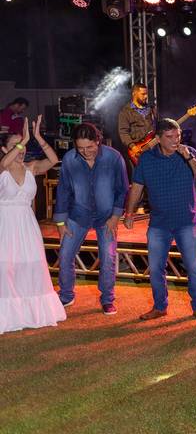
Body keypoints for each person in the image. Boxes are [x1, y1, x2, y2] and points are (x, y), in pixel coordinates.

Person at [123, 118, 196, 321]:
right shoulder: (147, 158)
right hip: (159, 224)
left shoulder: (189, 153)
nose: (175, 140)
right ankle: (160, 306)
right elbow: (137, 187)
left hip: (186, 222)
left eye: (177, 136)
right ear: (159, 138)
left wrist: (189, 158)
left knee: (194, 267)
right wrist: (129, 212)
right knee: (155, 268)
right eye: (170, 137)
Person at [53, 123, 128, 314]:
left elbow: (122, 189)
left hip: (106, 217)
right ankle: (66, 295)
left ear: (98, 141)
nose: (86, 152)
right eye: (81, 148)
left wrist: (115, 216)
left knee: (108, 257)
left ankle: (107, 299)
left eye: (90, 147)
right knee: (65, 254)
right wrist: (60, 222)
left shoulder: (113, 157)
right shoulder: (69, 159)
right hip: (77, 215)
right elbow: (63, 191)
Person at [0, 116, 66, 334]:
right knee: (5, 268)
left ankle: (31, 314)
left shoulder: (32, 167)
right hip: (5, 224)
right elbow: (4, 164)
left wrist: (37, 137)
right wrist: (24, 140)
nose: (21, 149)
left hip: (27, 225)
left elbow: (53, 160)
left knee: (31, 266)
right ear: (4, 149)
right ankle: (8, 316)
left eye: (23, 146)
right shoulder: (2, 169)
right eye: (14, 146)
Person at [118, 83, 156, 168]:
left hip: (152, 149)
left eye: (146, 94)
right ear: (134, 94)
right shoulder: (125, 111)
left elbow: (157, 127)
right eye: (143, 94)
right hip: (137, 151)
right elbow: (123, 132)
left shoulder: (151, 109)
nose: (146, 96)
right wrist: (133, 147)